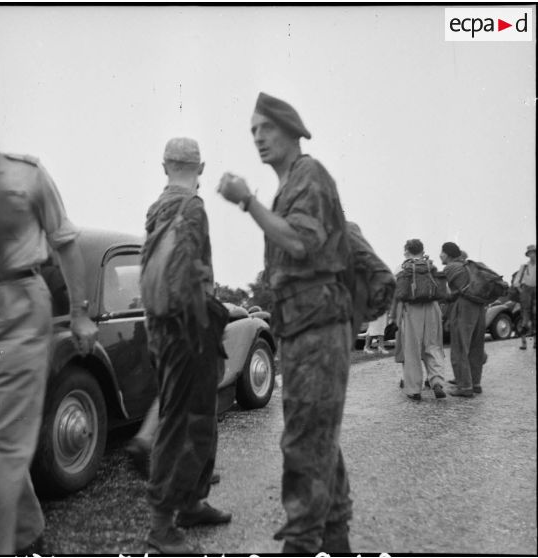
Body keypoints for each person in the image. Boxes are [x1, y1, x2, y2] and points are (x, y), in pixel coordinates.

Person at [218, 92, 353, 554]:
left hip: (319, 326)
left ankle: (300, 541)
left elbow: (299, 243)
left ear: (292, 129)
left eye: (266, 128)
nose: (257, 137)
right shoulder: (291, 183)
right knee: (317, 435)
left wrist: (247, 203)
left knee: (303, 437)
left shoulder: (308, 176)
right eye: (252, 130)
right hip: (302, 327)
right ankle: (336, 538)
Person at [0, 84, 98, 555]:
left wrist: (78, 313)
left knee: (1, 445)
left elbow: (66, 242)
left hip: (19, 307)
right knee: (0, 438)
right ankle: (26, 532)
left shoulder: (25, 175)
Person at [142, 137, 231, 554]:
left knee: (192, 417)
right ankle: (162, 525)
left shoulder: (156, 209)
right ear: (201, 167)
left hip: (163, 328)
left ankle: (192, 503)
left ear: (164, 167)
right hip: (188, 330)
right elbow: (187, 274)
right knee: (182, 424)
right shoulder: (192, 208)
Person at [391, 240, 446, 401]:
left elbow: (397, 293)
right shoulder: (431, 266)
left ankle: (414, 389)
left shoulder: (402, 267)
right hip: (432, 307)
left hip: (411, 309)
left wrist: (394, 315)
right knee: (433, 345)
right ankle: (437, 381)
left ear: (407, 251)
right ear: (422, 250)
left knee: (412, 349)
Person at [440, 241, 484, 397]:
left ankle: (464, 387)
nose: (440, 255)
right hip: (479, 306)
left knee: (459, 347)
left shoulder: (451, 268)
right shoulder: (468, 266)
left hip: (464, 308)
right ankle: (476, 383)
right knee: (476, 347)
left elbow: (447, 294)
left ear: (447, 254)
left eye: (442, 252)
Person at [513, 244, 536, 350]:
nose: (533, 255)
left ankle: (535, 341)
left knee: (535, 315)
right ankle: (523, 342)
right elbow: (516, 282)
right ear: (528, 255)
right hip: (526, 291)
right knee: (525, 316)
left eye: (534, 253)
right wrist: (521, 291)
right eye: (531, 253)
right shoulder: (524, 267)